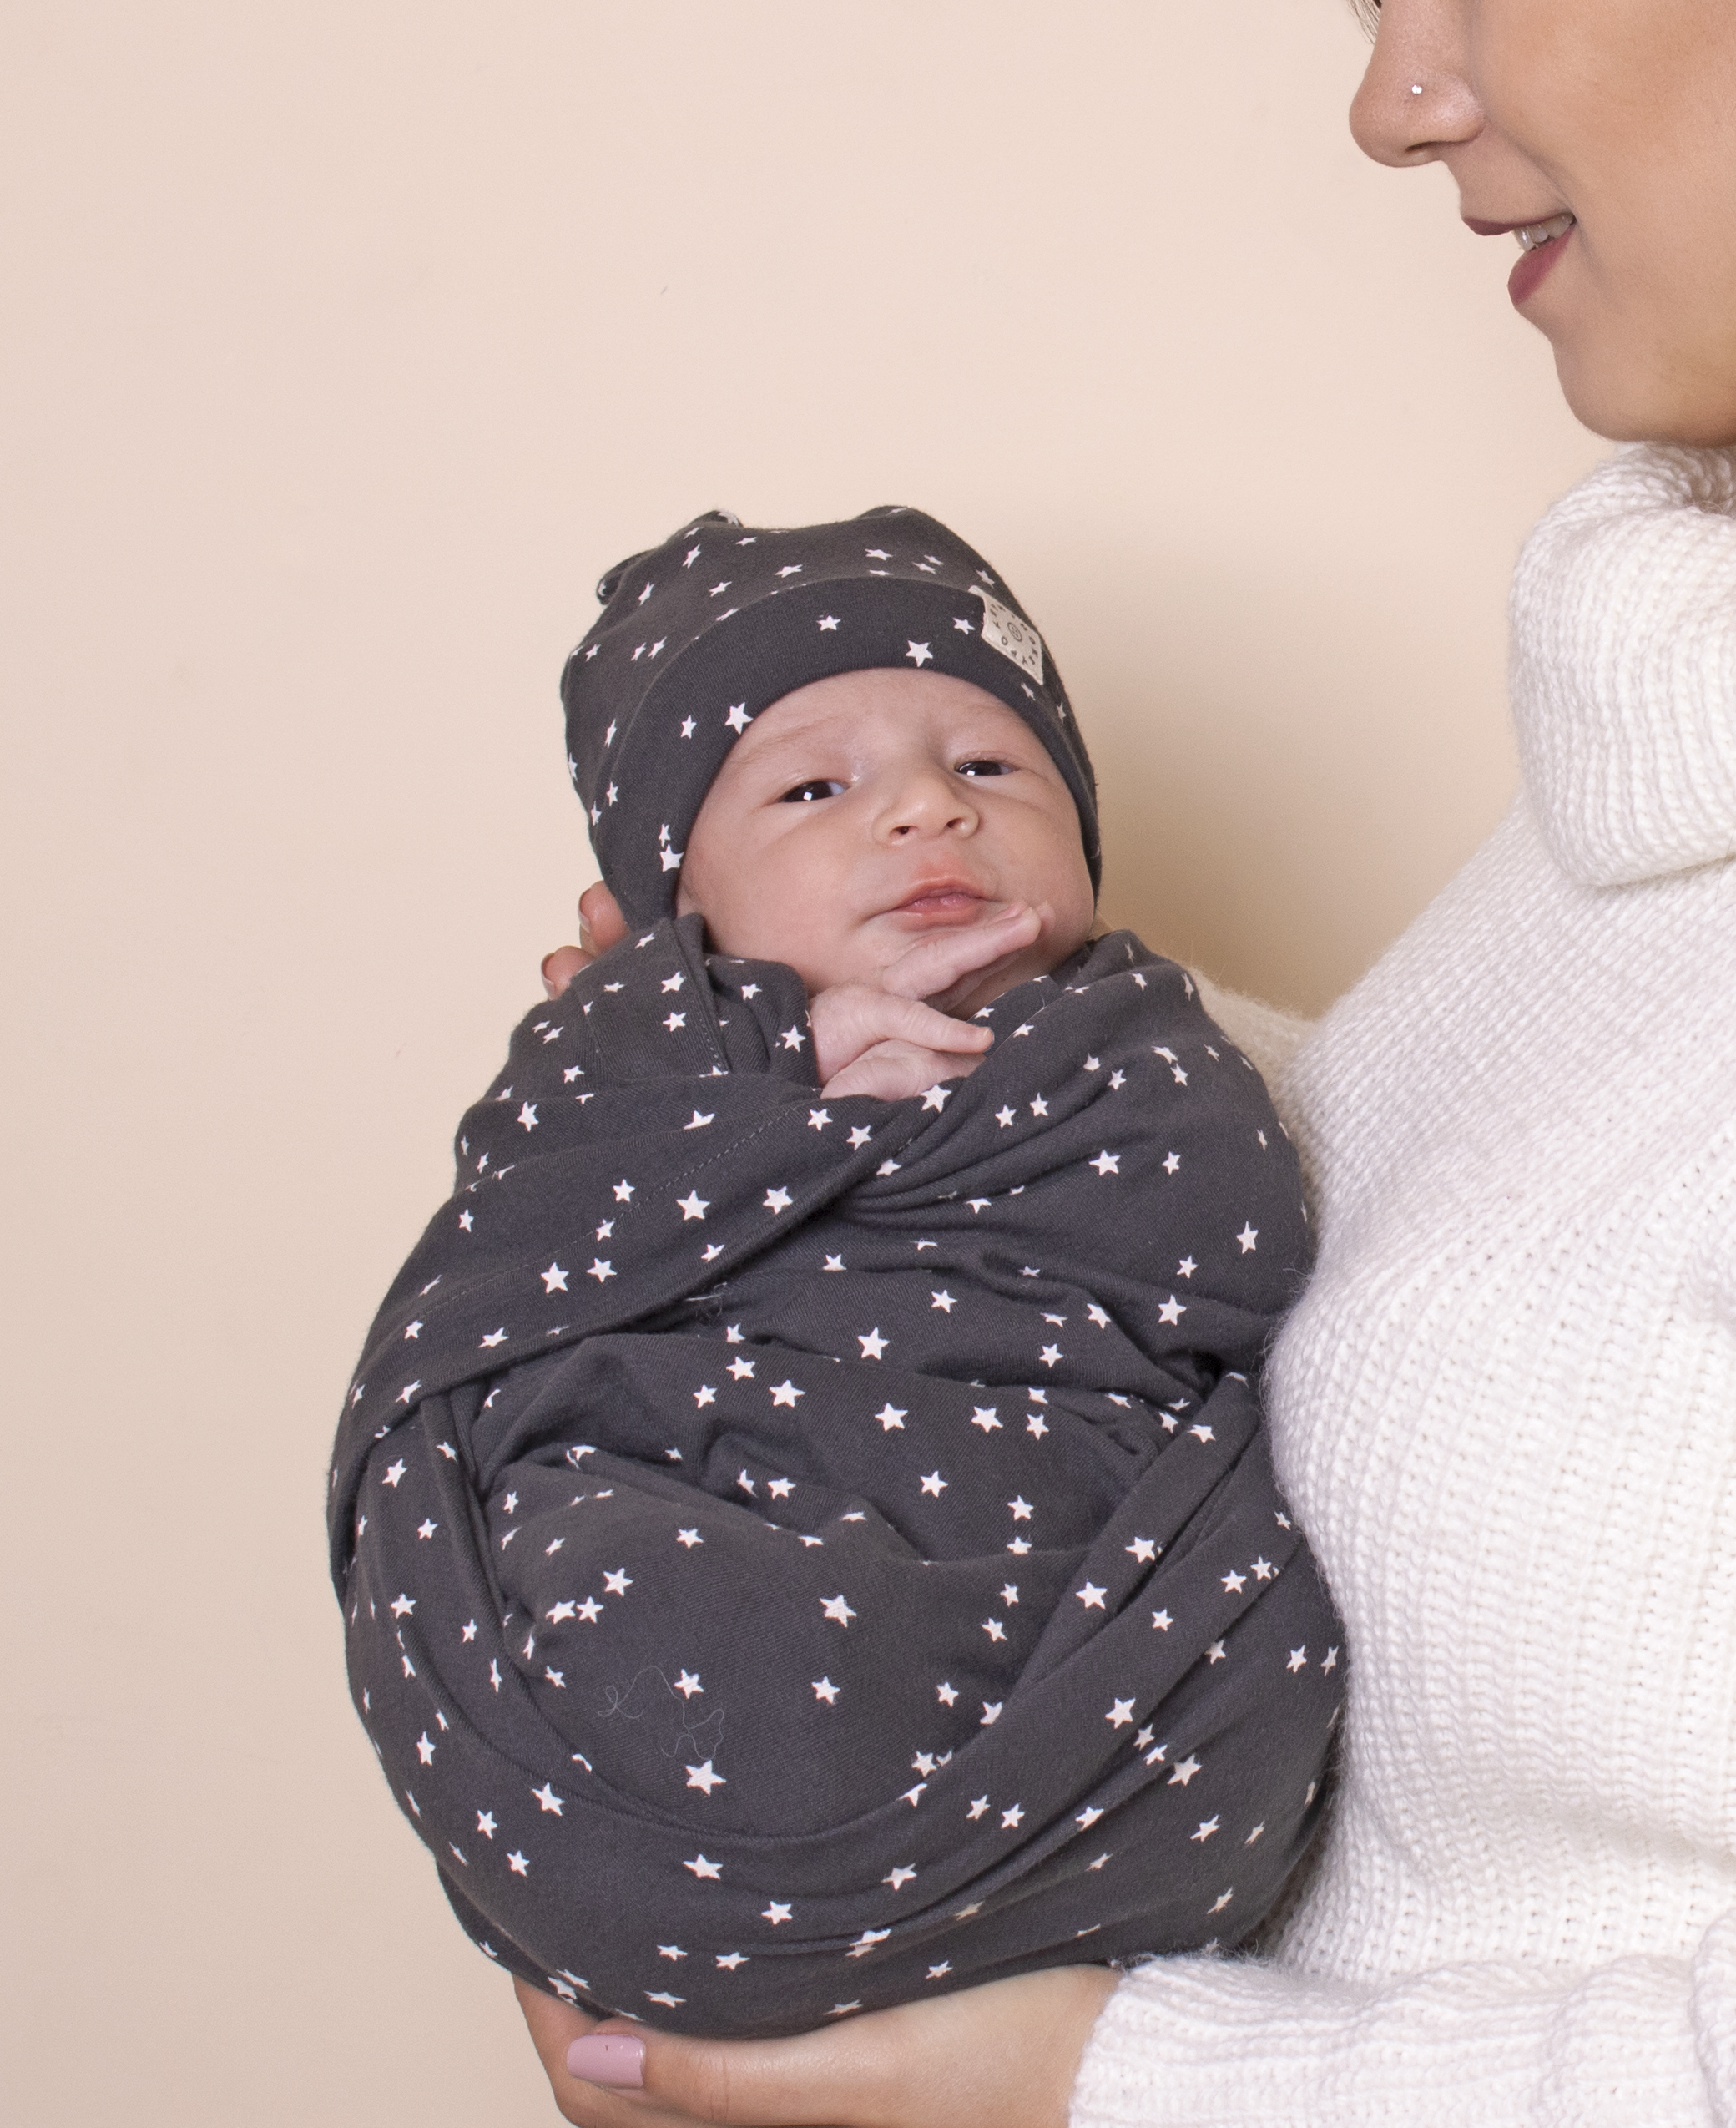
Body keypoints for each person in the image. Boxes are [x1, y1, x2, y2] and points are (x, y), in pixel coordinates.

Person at [515, 0, 1736, 2118]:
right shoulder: (1663, 711)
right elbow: (1571, 1226)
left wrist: (1104, 2079)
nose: (1389, 104)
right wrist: (932, 1082)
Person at [331, 506, 1344, 2038]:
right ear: (676, 904)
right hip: (693, 1485)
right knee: (618, 1587)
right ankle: (709, 1876)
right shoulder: (633, 1046)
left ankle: (995, 1902)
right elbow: (508, 1256)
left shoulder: (1138, 1046)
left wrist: (961, 1126)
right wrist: (758, 1100)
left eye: (989, 767)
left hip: (1049, 1548)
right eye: (816, 786)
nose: (928, 813)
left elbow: (1234, 1268)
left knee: (1275, 1642)